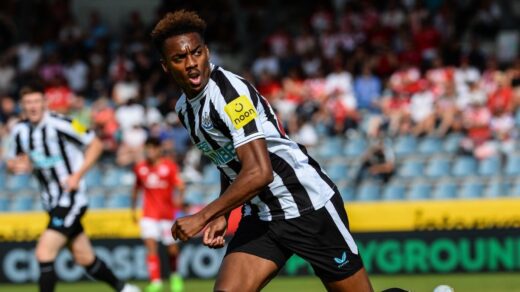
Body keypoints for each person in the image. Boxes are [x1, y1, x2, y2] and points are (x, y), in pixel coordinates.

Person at [151, 10, 373, 292]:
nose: (192, 63)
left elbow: (259, 172)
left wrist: (204, 215)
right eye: (179, 58)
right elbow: (228, 161)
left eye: (196, 53)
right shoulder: (184, 109)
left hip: (306, 205)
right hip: (261, 214)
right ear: (165, 66)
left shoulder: (230, 95)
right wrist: (224, 212)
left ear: (207, 51)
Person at [5, 83, 140, 292]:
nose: (32, 107)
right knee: (85, 258)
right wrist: (16, 166)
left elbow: (95, 144)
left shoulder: (62, 123)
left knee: (44, 253)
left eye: (36, 101)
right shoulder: (20, 131)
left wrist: (77, 175)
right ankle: (125, 289)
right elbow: (17, 162)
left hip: (71, 198)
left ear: (45, 103)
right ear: (22, 106)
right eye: (27, 103)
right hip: (50, 201)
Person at [131, 137, 185, 292]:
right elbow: (136, 189)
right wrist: (133, 209)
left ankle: (175, 276)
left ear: (159, 149)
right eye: (148, 148)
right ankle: (156, 282)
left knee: (172, 249)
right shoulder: (140, 168)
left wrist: (178, 202)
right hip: (149, 214)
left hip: (167, 215)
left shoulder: (169, 167)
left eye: (153, 148)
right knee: (151, 247)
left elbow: (180, 186)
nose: (150, 151)